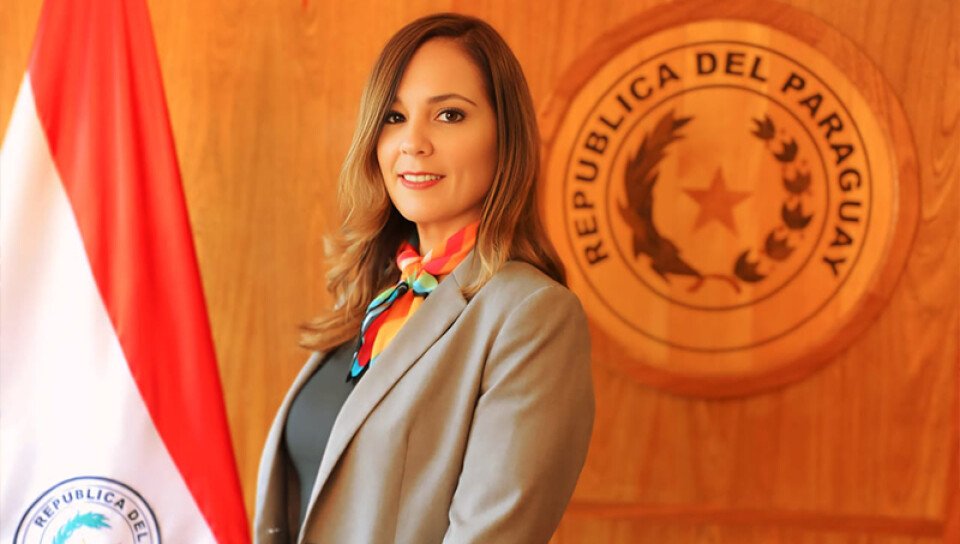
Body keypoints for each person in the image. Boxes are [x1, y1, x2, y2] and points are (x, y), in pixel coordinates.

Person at [255, 13, 594, 544]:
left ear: (505, 137)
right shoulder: (372, 297)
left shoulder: (532, 315)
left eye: (449, 115)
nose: (412, 142)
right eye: (394, 116)